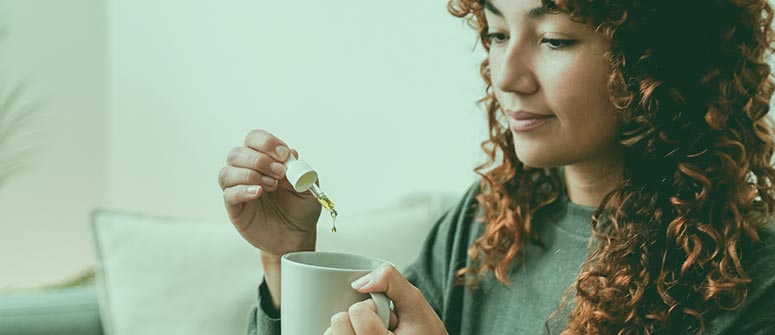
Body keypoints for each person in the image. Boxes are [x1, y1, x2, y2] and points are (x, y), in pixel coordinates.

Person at [217, 0, 775, 333]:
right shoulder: (486, 225)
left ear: (659, 54)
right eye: (496, 32)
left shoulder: (748, 282)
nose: (507, 76)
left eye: (555, 39)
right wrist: (288, 262)